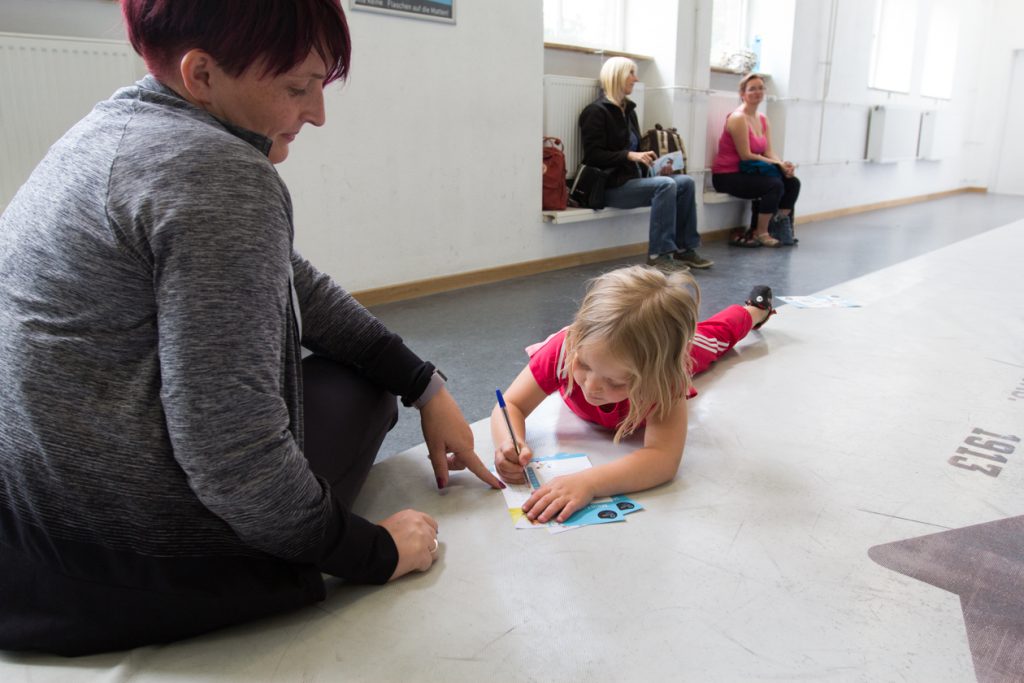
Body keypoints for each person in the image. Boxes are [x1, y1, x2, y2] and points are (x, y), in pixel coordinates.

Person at [0, 0, 502, 656]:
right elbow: (232, 457)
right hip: (123, 573)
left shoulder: (113, 128)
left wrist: (424, 384)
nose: (318, 112)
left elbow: (297, 285)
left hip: (24, 552)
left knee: (366, 371)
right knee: (360, 391)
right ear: (202, 74)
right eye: (297, 88)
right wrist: (372, 550)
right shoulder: (219, 172)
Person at [490, 266, 775, 524]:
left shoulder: (666, 378)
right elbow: (510, 404)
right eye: (584, 366)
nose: (591, 387)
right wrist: (509, 442)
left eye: (616, 382)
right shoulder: (564, 347)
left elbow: (663, 459)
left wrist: (589, 483)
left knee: (716, 335)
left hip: (685, 349)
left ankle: (753, 311)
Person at [579, 57, 713, 271]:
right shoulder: (595, 112)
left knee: (685, 182)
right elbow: (594, 155)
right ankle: (659, 255)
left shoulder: (628, 111)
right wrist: (629, 156)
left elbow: (635, 151)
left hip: (633, 179)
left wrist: (657, 166)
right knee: (666, 185)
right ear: (617, 76)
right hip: (611, 186)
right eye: (631, 73)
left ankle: (684, 249)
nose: (636, 78)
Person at [711, 73, 801, 248]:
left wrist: (783, 165)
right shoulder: (738, 118)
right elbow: (746, 155)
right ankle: (761, 232)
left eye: (761, 88)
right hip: (728, 175)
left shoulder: (762, 119)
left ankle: (779, 223)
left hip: (750, 171)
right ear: (743, 94)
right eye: (752, 89)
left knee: (793, 182)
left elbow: (768, 151)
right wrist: (777, 165)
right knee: (774, 185)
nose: (757, 92)